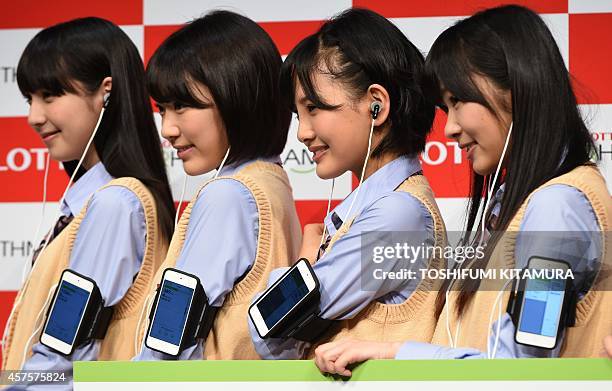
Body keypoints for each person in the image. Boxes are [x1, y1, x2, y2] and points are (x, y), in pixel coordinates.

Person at [314, 5, 611, 376]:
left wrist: (396, 351)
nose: (450, 127)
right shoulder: (530, 204)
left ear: (516, 88)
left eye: (458, 101)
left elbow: (518, 368)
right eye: (445, 105)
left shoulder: (557, 208)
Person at [249, 8, 447, 360]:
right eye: (299, 114)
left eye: (314, 108)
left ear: (376, 105)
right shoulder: (379, 207)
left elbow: (270, 330)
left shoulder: (396, 214)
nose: (303, 132)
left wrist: (305, 259)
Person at [1, 17, 175, 388]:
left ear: (105, 92)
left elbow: (62, 357)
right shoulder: (102, 201)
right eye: (29, 99)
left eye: (50, 95)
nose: (33, 116)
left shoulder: (115, 204)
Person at [133, 10, 302, 361]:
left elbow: (168, 349)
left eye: (182, 105)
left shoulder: (229, 194)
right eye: (162, 109)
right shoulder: (270, 181)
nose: (167, 129)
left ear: (236, 96)